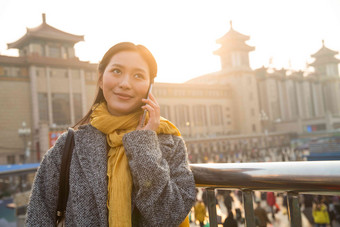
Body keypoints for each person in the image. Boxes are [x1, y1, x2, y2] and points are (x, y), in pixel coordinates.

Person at [25, 42, 196, 226]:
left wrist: (144, 146)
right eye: (116, 71)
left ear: (149, 87)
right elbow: (38, 215)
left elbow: (169, 215)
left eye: (138, 76)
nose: (124, 84)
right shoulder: (69, 146)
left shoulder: (169, 142)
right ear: (100, 78)